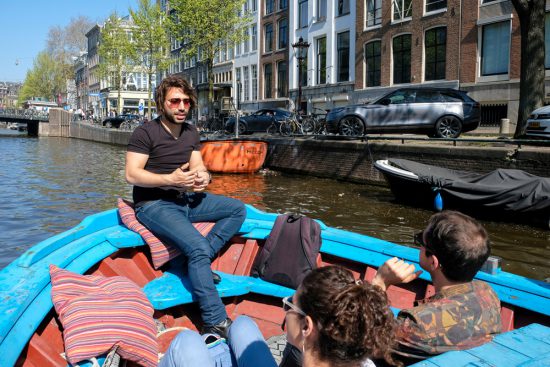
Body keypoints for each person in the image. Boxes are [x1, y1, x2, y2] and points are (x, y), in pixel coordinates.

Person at [125, 75, 246, 337]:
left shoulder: (191, 132)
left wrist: (204, 177)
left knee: (237, 210)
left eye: (186, 102)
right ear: (162, 104)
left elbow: (198, 165)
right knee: (198, 247)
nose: (181, 107)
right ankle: (215, 320)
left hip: (185, 200)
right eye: (175, 101)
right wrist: (168, 179)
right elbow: (132, 174)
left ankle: (196, 265)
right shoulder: (145, 133)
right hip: (154, 204)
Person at [160, 265, 400, 367]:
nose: (286, 311)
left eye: (289, 306)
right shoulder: (363, 361)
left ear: (307, 326)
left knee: (187, 342)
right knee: (242, 325)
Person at [371, 210, 502, 362]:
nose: (419, 245)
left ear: (433, 262)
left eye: (420, 240)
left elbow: (366, 342)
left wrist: (379, 284)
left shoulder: (418, 324)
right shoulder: (487, 293)